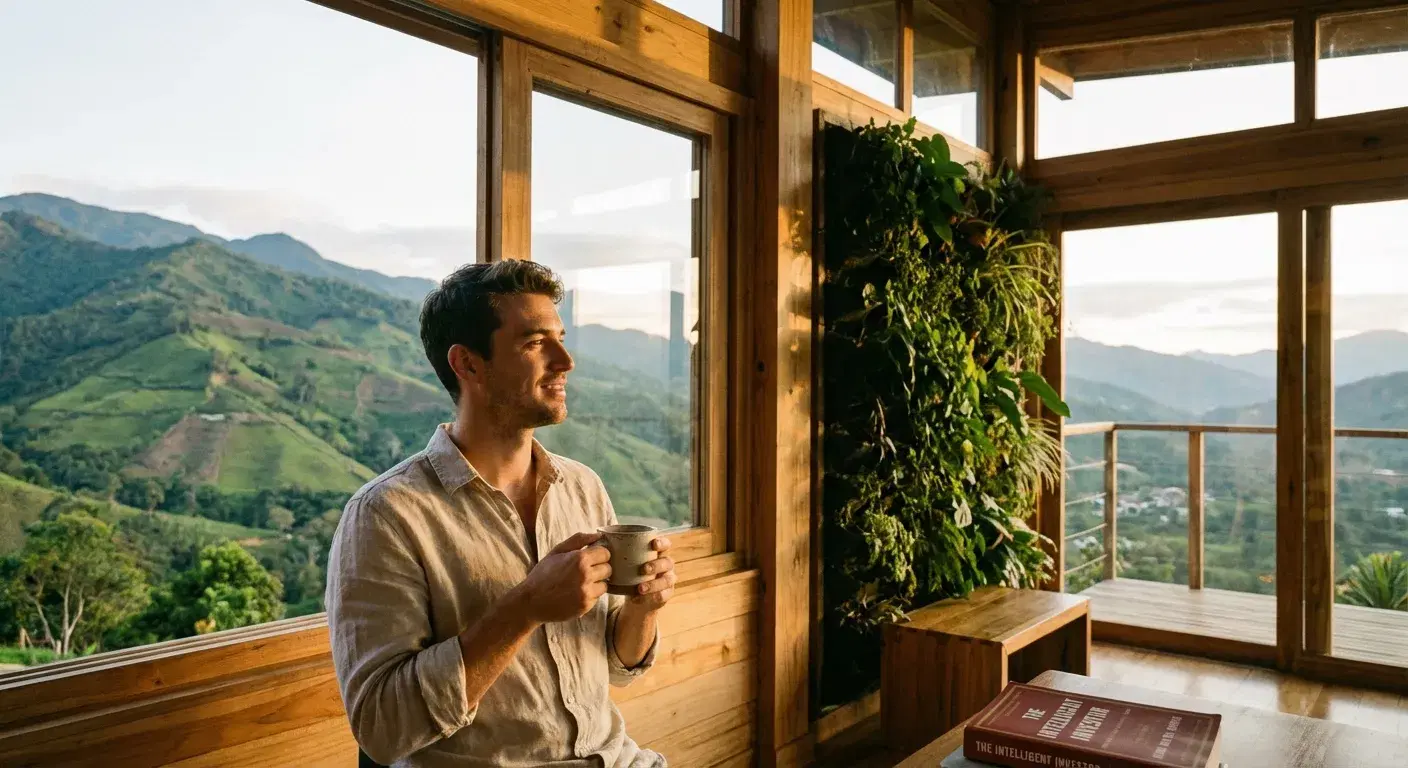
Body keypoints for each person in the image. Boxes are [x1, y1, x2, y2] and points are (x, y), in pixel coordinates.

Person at [325, 260, 676, 767]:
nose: (566, 360)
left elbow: (618, 668)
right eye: (535, 343)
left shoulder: (582, 486)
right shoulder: (386, 515)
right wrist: (525, 607)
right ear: (468, 364)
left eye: (560, 337)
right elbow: (382, 728)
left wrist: (644, 608)